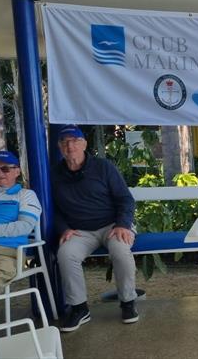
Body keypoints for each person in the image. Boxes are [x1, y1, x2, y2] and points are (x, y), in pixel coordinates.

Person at [53, 124, 138, 332]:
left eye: (74, 141)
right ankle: (79, 308)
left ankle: (128, 302)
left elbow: (125, 199)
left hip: (113, 225)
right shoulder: (54, 174)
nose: (69, 146)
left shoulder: (103, 167)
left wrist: (123, 224)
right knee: (66, 253)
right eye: (64, 143)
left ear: (84, 144)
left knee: (120, 249)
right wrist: (63, 228)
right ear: (59, 147)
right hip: (79, 231)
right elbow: (51, 209)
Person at [0, 151, 42, 298]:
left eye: (5, 168)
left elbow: (25, 226)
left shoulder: (25, 195)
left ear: (17, 171)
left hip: (8, 255)